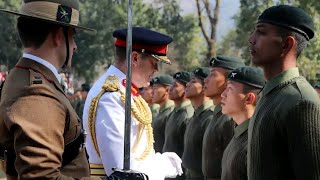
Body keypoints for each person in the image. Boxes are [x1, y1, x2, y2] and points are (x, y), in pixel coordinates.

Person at [0, 0, 97, 178]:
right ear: (58, 36)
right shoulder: (36, 93)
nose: (75, 46)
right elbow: (41, 176)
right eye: (73, 36)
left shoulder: (28, 77)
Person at [82, 27, 183, 179]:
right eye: (154, 63)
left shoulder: (125, 92)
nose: (156, 70)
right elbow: (121, 171)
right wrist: (164, 166)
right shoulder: (112, 97)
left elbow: (140, 154)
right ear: (134, 58)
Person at [247, 5, 320, 179]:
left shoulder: (300, 101)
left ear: (286, 44)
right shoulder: (270, 93)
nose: (251, 39)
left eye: (261, 32)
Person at [202, 56, 244, 180]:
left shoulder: (229, 119)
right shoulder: (217, 115)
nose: (205, 80)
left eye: (213, 75)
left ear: (228, 81)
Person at [220, 66, 265, 180]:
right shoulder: (240, 133)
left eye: (229, 89)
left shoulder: (256, 142)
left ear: (248, 99)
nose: (223, 94)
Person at [182, 67, 213, 180]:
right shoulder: (195, 116)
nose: (187, 84)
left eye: (193, 81)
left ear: (205, 87)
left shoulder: (209, 118)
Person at [163, 71, 194, 180]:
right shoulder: (174, 113)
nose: (170, 89)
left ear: (186, 89)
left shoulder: (187, 114)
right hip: (167, 172)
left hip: (179, 174)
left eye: (175, 86)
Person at [152, 75, 175, 153]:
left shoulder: (170, 113)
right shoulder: (162, 112)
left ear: (167, 90)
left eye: (155, 88)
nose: (152, 92)